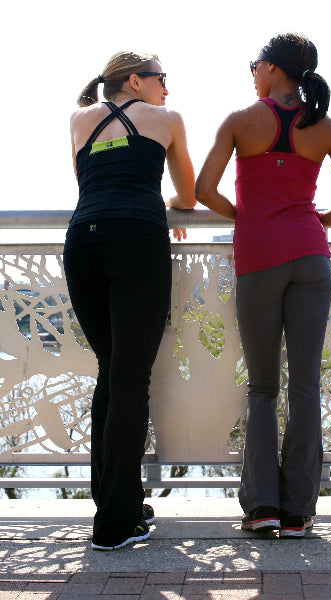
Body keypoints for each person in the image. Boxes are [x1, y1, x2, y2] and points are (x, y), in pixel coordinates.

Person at [195, 33, 331, 537]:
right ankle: (298, 511)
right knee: (306, 386)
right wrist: (313, 221)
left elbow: (204, 191)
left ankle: (263, 508)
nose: (252, 73)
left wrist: (250, 216)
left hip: (260, 259)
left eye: (255, 65)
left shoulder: (239, 122)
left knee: (263, 387)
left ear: (271, 68)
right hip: (313, 258)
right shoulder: (326, 128)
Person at [63, 51, 196, 550]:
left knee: (110, 371)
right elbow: (187, 194)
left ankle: (115, 503)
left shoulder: (79, 121)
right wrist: (165, 205)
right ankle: (116, 522)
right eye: (163, 79)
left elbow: (86, 186)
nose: (168, 89)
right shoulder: (166, 120)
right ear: (136, 81)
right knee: (129, 378)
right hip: (137, 241)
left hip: (84, 243)